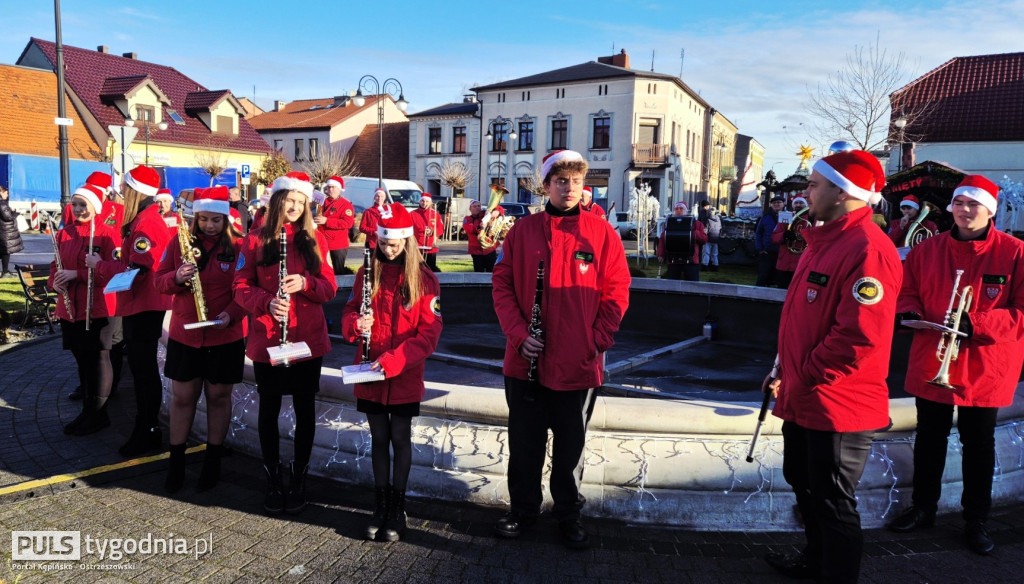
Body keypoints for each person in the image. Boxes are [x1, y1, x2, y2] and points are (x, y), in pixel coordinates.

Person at [762, 150, 902, 584]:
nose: (806, 192)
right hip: (806, 393)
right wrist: (783, 366)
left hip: (838, 404)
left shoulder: (868, 250)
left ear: (843, 193)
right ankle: (815, 561)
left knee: (833, 502)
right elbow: (804, 318)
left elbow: (858, 337)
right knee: (807, 487)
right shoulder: (825, 239)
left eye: (814, 185)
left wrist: (802, 371)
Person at [492, 150, 631, 549]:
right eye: (560, 181)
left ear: (582, 184)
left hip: (578, 364)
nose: (568, 188)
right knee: (524, 445)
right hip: (525, 362)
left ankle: (568, 514)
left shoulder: (602, 233)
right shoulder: (522, 231)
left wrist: (596, 340)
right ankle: (523, 511)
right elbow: (501, 286)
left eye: (574, 181)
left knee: (570, 450)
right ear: (546, 185)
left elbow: (617, 291)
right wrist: (518, 333)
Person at [887, 175, 1024, 556]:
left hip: (984, 364)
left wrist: (975, 323)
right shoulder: (927, 250)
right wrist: (909, 310)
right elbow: (906, 289)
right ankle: (923, 507)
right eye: (959, 203)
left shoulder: (1015, 253)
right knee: (929, 438)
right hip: (934, 358)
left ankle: (975, 519)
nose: (964, 211)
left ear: (989, 210)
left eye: (973, 205)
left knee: (977, 443)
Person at [232, 171, 337, 515]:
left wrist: (305, 283)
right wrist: (267, 302)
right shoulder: (255, 239)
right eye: (288, 200)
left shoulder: (315, 239)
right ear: (277, 201)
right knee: (269, 409)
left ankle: (300, 476)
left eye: (300, 202)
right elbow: (240, 286)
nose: (294, 206)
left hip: (306, 339)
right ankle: (272, 476)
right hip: (269, 338)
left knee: (306, 410)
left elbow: (330, 289)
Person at [341, 203, 442, 542]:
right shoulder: (366, 274)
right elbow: (351, 310)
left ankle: (398, 508)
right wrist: (356, 324)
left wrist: (393, 362)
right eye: (384, 243)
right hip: (369, 371)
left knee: (400, 438)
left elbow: (428, 336)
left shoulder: (425, 280)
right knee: (379, 439)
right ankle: (380, 504)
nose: (389, 248)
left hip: (402, 374)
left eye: (395, 243)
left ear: (407, 241)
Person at [156, 186, 247, 493]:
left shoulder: (239, 248)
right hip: (187, 334)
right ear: (195, 218)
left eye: (216, 220)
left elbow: (246, 291)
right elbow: (159, 281)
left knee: (219, 398)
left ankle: (212, 463)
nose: (210, 225)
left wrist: (230, 315)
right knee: (182, 398)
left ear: (226, 220)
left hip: (225, 335)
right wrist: (176, 278)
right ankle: (176, 465)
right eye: (204, 219)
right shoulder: (178, 242)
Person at [90, 165, 173, 458]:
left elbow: (136, 268)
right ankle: (146, 428)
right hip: (141, 303)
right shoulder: (143, 220)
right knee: (141, 370)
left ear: (135, 191)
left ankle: (148, 429)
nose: (122, 193)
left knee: (144, 371)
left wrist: (98, 266)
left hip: (145, 304)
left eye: (125, 188)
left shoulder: (146, 223)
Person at [49, 184, 119, 435]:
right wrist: (54, 282)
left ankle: (98, 413)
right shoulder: (64, 233)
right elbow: (54, 266)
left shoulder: (107, 234)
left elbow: (115, 272)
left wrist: (76, 274)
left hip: (98, 307)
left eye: (83, 204)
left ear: (95, 206)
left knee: (98, 358)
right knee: (81, 359)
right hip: (70, 308)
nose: (78, 209)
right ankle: (88, 410)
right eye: (75, 204)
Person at [313, 176, 355, 275]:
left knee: (338, 271)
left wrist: (327, 221)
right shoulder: (322, 202)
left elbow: (347, 223)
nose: (330, 189)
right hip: (322, 242)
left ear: (339, 189)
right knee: (322, 270)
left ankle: (339, 290)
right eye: (329, 187)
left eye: (333, 187)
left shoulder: (346, 204)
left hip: (338, 244)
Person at [657, 202, 707, 281]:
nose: (679, 211)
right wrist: (661, 254)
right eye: (676, 209)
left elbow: (704, 239)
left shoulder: (697, 224)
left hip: (691, 261)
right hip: (673, 261)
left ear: (686, 210)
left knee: (692, 286)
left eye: (681, 209)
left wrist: (694, 232)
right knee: (672, 285)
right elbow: (663, 239)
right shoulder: (669, 223)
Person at [771, 196, 811, 288]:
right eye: (796, 203)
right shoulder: (786, 216)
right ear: (792, 206)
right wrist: (784, 235)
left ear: (805, 205)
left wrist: (805, 235)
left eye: (801, 203)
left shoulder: (811, 219)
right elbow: (774, 236)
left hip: (802, 262)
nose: (798, 205)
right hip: (784, 262)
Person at [754, 196, 784, 286]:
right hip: (767, 251)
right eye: (774, 203)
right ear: (771, 205)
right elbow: (758, 233)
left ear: (783, 204)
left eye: (779, 202)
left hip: (781, 251)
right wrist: (760, 248)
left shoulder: (788, 216)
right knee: (763, 276)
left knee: (780, 277)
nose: (776, 204)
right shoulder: (765, 217)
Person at [412, 194, 443, 272]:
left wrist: (432, 232)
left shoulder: (436, 215)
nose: (424, 203)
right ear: (419, 202)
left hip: (431, 247)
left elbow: (441, 229)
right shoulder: (412, 214)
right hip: (417, 246)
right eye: (422, 201)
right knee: (417, 270)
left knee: (430, 269)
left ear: (430, 203)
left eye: (427, 201)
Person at [463, 200, 497, 272]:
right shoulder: (467, 218)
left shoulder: (486, 215)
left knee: (492, 272)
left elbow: (499, 209)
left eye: (479, 206)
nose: (477, 208)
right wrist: (480, 226)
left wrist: (497, 211)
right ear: (470, 209)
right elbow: (469, 229)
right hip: (476, 250)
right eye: (474, 206)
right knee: (478, 271)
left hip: (489, 248)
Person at [0, 185, 24, 277]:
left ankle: (5, 271)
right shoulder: (2, 203)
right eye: (6, 192)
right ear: (1, 193)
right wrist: (16, 213)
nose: (7, 194)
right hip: (5, 231)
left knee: (4, 252)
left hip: (3, 230)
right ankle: (5, 272)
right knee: (6, 251)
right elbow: (8, 217)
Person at [702, 206, 722, 272]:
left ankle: (705, 266)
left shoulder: (708, 219)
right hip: (716, 238)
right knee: (715, 254)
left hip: (708, 238)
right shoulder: (719, 219)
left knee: (706, 253)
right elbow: (720, 229)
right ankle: (715, 266)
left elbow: (705, 230)